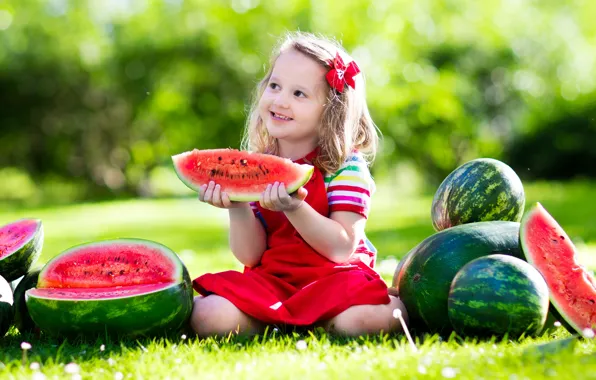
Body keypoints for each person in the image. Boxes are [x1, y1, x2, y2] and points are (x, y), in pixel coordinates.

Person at [190, 31, 408, 338]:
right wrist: (237, 207)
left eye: (299, 94)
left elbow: (341, 246)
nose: (280, 100)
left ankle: (297, 321)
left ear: (331, 111)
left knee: (362, 321)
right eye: (275, 86)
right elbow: (251, 256)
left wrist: (295, 207)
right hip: (273, 281)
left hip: (335, 279)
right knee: (207, 314)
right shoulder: (259, 165)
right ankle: (295, 321)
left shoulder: (345, 167)